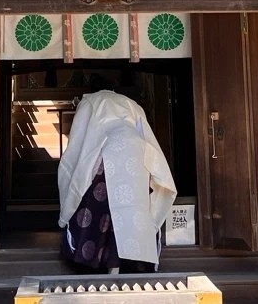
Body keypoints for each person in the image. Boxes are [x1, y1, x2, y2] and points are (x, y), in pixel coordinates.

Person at [57, 80, 177, 274]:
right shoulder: (131, 103)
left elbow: (80, 140)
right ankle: (128, 261)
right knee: (133, 208)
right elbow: (144, 133)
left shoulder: (90, 101)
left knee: (98, 206)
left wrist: (76, 169)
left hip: (105, 153)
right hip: (137, 153)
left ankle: (93, 258)